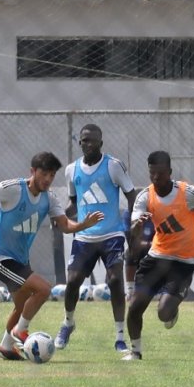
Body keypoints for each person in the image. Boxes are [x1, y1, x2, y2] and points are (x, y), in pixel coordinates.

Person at [0, 151, 103, 360]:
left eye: (52, 176)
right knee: (44, 289)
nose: (48, 180)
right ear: (33, 171)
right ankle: (20, 332)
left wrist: (83, 225)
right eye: (45, 174)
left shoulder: (49, 199)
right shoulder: (12, 189)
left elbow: (66, 225)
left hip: (21, 261)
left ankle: (6, 347)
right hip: (0, 259)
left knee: (21, 307)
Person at [123, 151, 194, 361]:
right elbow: (133, 229)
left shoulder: (187, 193)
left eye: (160, 173)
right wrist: (136, 227)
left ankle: (172, 306)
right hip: (157, 256)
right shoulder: (145, 196)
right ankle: (136, 352)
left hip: (183, 261)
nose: (156, 178)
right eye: (152, 173)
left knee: (164, 314)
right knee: (134, 306)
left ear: (170, 172)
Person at [56, 124, 138, 352]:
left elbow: (132, 195)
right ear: (79, 143)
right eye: (84, 140)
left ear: (101, 143)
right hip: (84, 237)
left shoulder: (113, 166)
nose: (88, 144)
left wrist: (132, 222)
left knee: (114, 281)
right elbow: (75, 202)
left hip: (111, 235)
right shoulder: (71, 170)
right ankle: (68, 323)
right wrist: (60, 215)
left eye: (92, 140)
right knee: (72, 282)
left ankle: (120, 337)